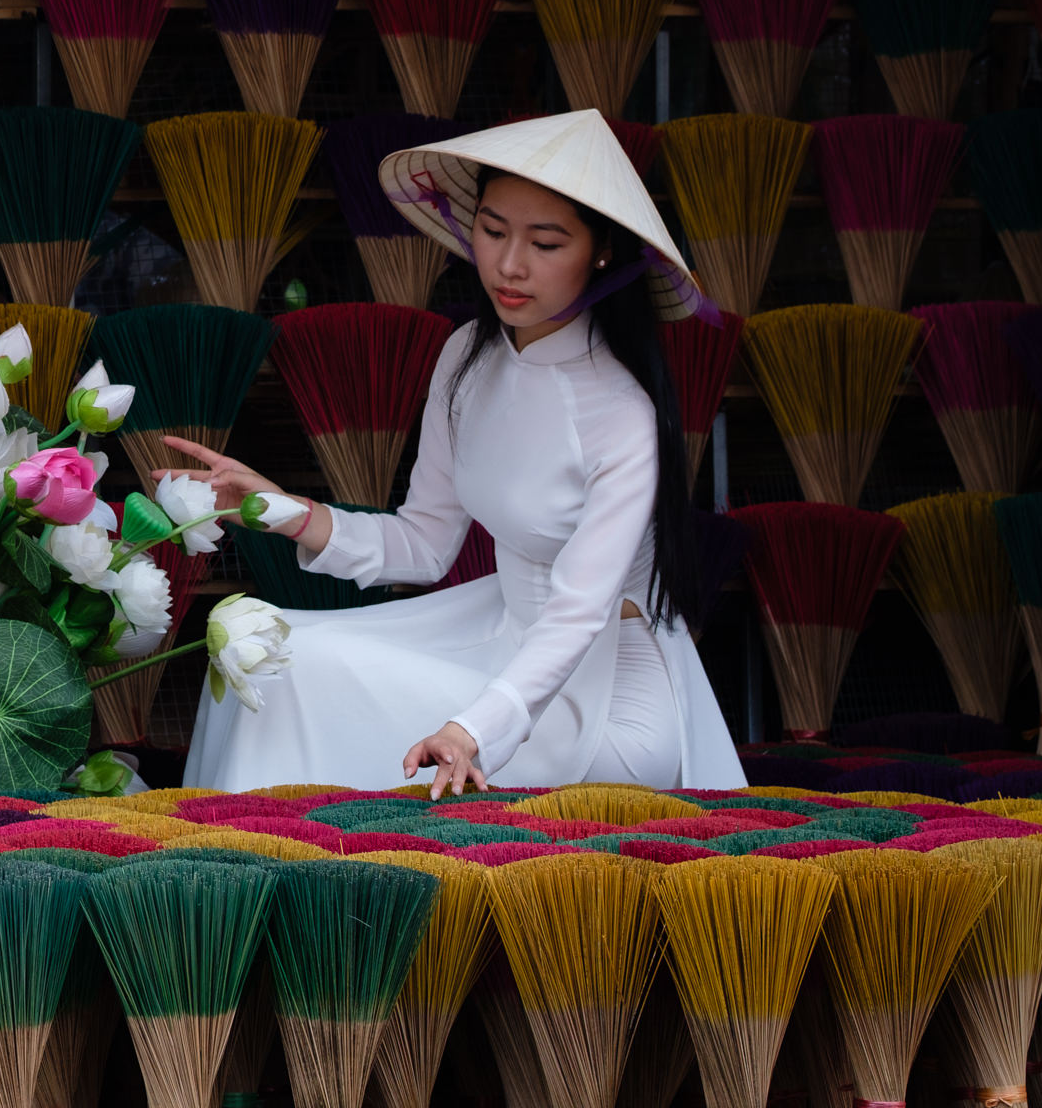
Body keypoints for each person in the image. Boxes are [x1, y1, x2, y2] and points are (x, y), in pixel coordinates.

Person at [176, 111, 747, 797]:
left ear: (602, 252)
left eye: (546, 242)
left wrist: (474, 727)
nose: (509, 265)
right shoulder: (467, 357)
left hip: (604, 708)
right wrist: (282, 511)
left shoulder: (622, 414)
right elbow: (424, 543)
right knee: (264, 649)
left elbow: (578, 613)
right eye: (493, 230)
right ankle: (245, 846)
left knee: (300, 669)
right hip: (499, 650)